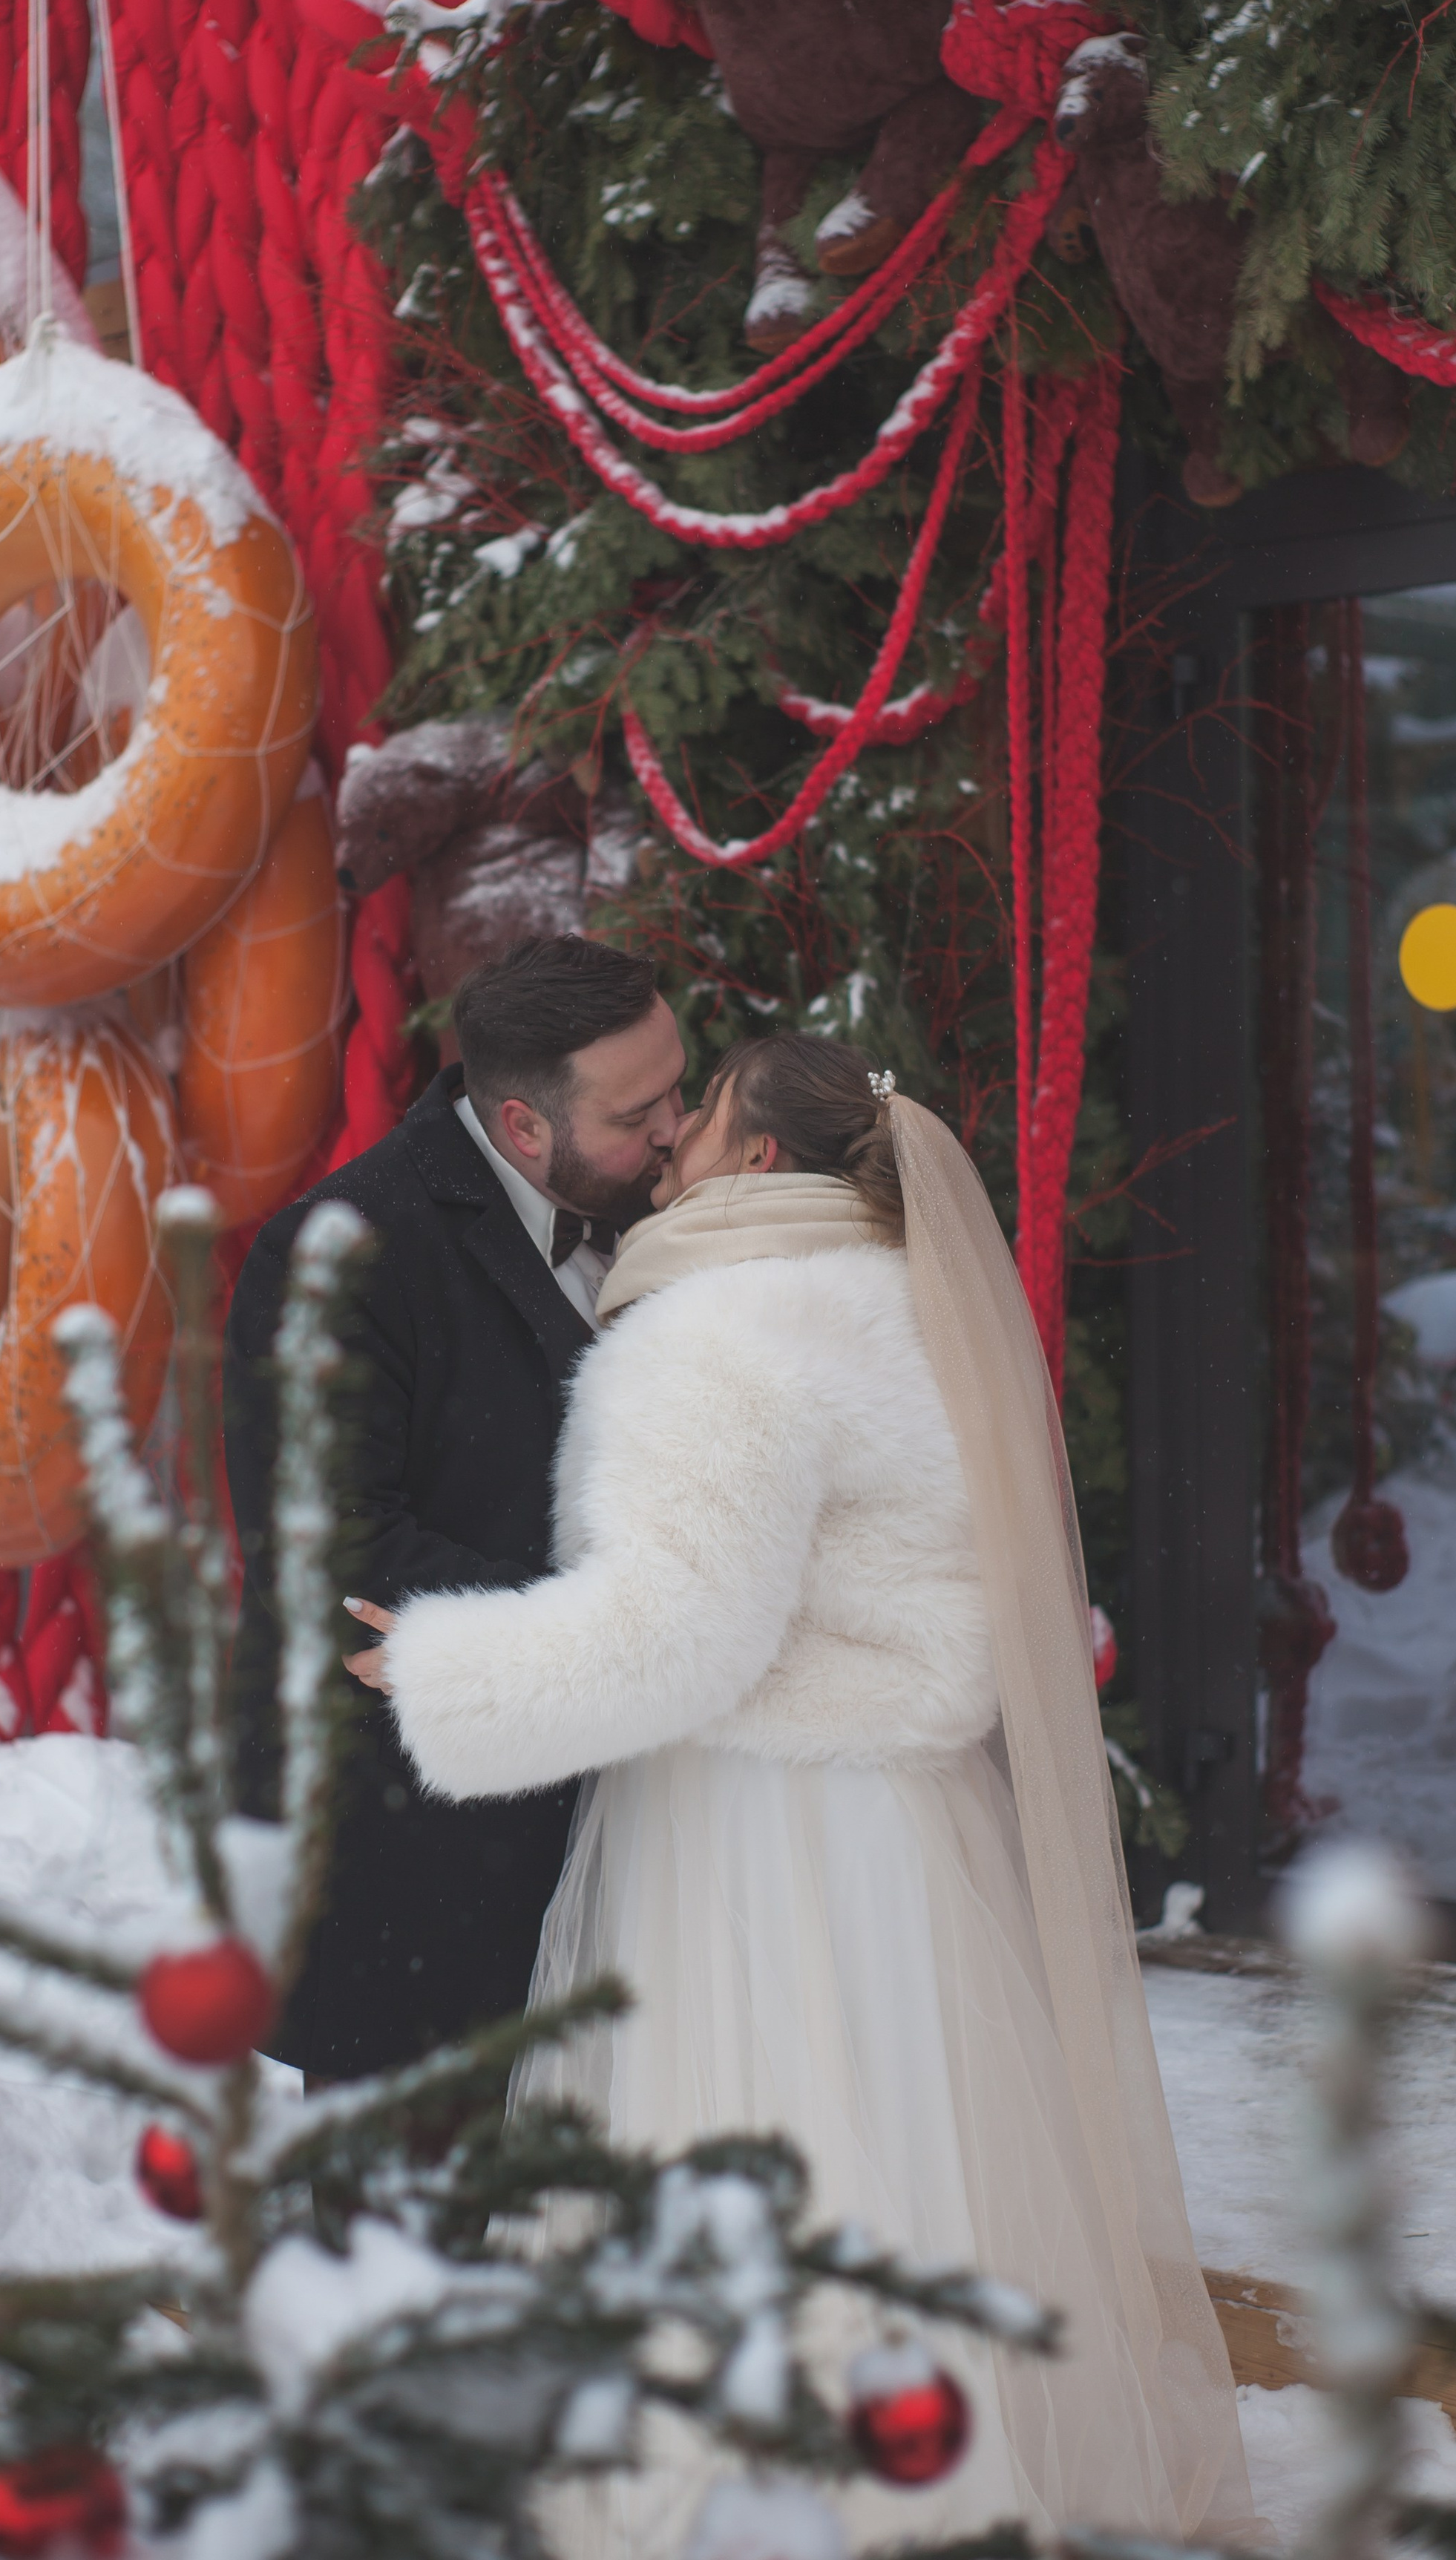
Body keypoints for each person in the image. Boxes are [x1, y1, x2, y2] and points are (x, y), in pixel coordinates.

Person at [351, 1038, 1257, 2547]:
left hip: (755, 1827)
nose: (663, 1143)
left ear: (756, 1160)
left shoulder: (719, 1330)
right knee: (905, 2161)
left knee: (769, 2159)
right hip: (898, 1826)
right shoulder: (910, 1312)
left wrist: (448, 1672)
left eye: (691, 1114)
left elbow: (676, 1633)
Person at [225, 934, 686, 2079]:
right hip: (420, 1861)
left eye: (681, 1084)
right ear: (526, 1127)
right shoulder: (344, 1251)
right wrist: (623, 1633)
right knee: (413, 2240)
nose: (677, 1129)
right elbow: (335, 1550)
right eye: (640, 1112)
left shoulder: (662, 1206)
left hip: (630, 1849)